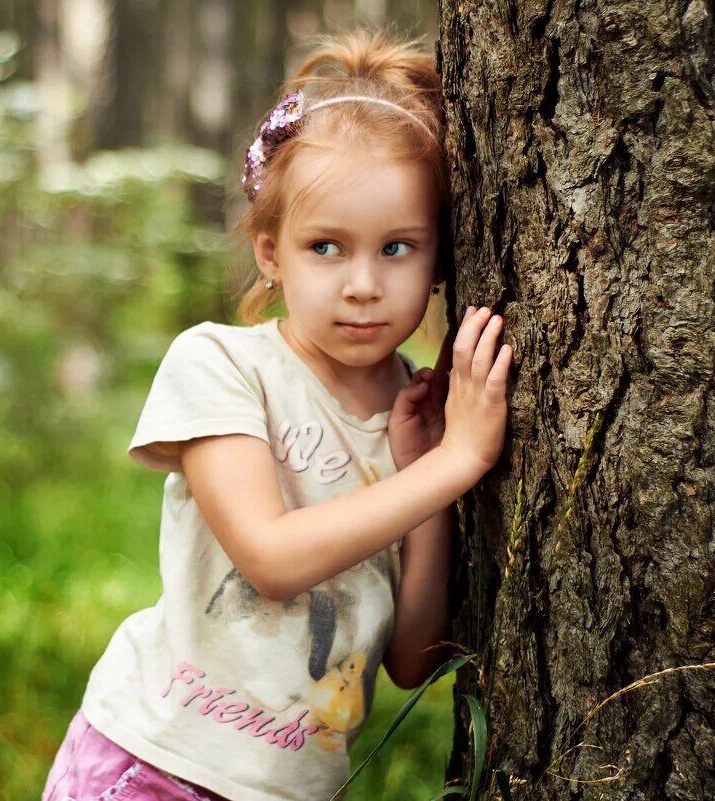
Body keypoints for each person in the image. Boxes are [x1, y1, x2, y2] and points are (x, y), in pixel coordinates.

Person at [43, 29, 512, 801]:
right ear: (270, 252)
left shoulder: (419, 412)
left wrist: (430, 472)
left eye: (398, 247)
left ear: (440, 261)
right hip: (152, 762)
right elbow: (269, 555)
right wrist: (458, 464)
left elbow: (412, 658)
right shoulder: (221, 365)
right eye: (326, 246)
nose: (362, 283)